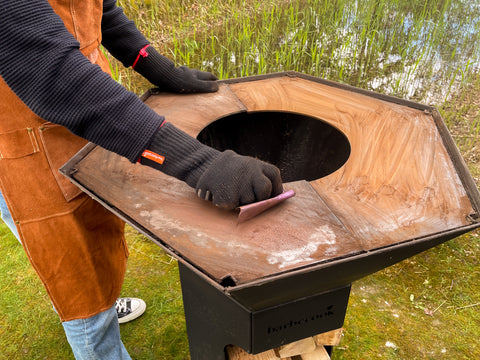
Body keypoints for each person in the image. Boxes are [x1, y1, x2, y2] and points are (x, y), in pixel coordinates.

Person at [0, 0, 283, 359]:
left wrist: (160, 68)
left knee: (98, 237)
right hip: (24, 144)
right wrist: (198, 162)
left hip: (88, 119)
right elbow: (50, 71)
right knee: (75, 274)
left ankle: (106, 304)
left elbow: (100, 9)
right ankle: (97, 335)